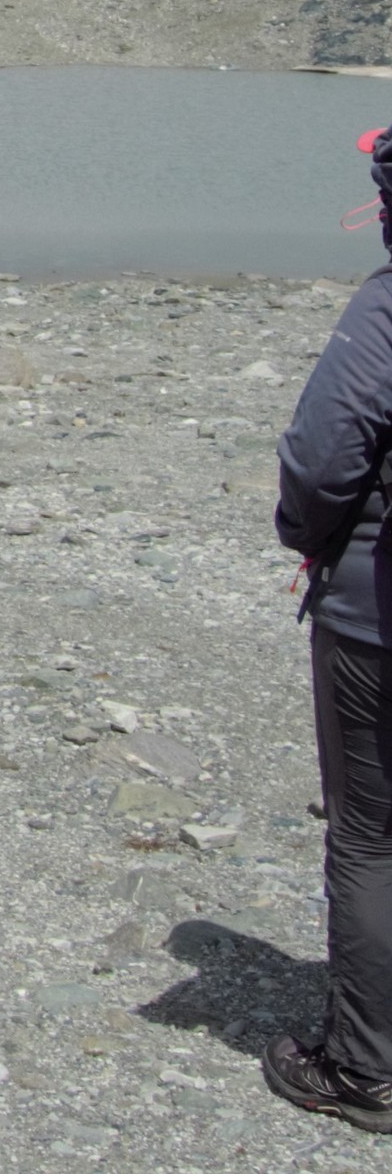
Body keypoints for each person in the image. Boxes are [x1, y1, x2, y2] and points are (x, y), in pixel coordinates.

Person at [269, 126, 392, 1131]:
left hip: (376, 622)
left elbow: (320, 464)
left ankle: (363, 1069)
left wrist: (300, 539)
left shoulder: (385, 310)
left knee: (370, 838)